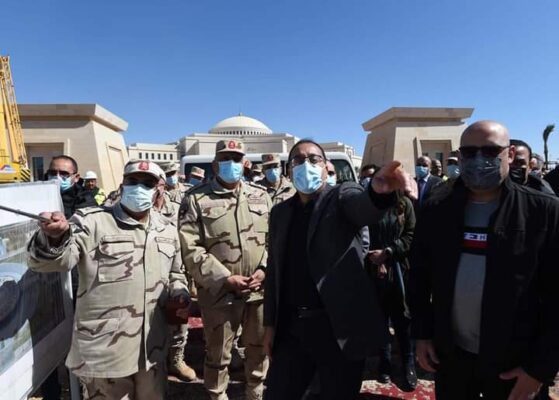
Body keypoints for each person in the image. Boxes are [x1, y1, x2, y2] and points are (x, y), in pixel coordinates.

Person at [409, 121, 559, 400]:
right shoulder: (437, 208)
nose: (479, 159)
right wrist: (422, 333)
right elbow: (419, 275)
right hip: (452, 358)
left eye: (490, 151)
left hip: (515, 362)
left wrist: (539, 369)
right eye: (470, 152)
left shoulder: (544, 211)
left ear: (509, 154)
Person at [262, 139, 417, 400]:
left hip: (338, 330)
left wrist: (377, 194)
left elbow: (362, 207)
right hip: (292, 329)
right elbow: (275, 271)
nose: (306, 164)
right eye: (298, 160)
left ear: (326, 167)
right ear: (289, 170)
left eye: (314, 159)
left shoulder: (341, 196)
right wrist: (269, 325)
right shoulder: (280, 212)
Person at [28, 160, 190, 400]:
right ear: (122, 184)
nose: (139, 187)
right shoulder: (92, 221)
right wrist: (54, 238)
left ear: (158, 189)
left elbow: (176, 273)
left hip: (151, 350)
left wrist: (180, 293)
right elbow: (53, 262)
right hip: (105, 353)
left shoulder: (166, 228)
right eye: (133, 181)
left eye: (147, 183)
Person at [178, 139, 272, 400]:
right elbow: (189, 247)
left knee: (258, 350)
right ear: (215, 164)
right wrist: (225, 278)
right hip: (219, 294)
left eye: (237, 158)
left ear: (245, 163)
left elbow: (273, 240)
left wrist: (264, 269)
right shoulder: (196, 198)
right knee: (218, 354)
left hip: (258, 292)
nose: (232, 163)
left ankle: (255, 393)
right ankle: (217, 394)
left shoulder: (261, 196)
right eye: (225, 158)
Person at [41, 155, 97, 400]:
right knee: (46, 343)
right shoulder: (37, 199)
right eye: (53, 173)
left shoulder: (86, 203)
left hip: (75, 283)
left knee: (79, 342)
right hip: (43, 282)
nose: (57, 178)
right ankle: (51, 391)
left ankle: (81, 391)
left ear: (75, 177)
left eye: (64, 174)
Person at [366, 189, 417, 389]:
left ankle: (408, 362)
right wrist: (375, 258)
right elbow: (363, 235)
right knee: (380, 318)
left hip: (400, 271)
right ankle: (384, 362)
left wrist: (388, 252)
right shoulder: (369, 204)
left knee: (402, 319)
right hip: (373, 270)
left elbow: (410, 236)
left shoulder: (405, 204)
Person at [155, 167, 198, 382]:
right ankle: (156, 362)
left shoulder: (177, 208)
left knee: (179, 318)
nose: (151, 189)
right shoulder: (130, 209)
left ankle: (176, 359)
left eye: (156, 184)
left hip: (176, 269)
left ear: (163, 186)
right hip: (150, 272)